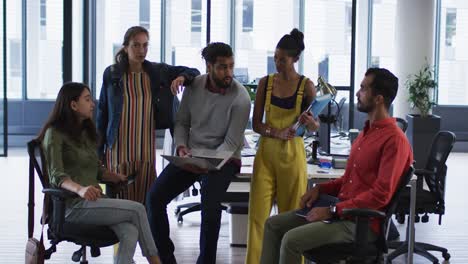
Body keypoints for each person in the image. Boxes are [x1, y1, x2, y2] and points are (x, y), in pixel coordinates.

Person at [259, 68, 414, 264]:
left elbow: (380, 194)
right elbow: (349, 180)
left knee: (291, 240)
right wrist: (321, 189)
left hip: (360, 223)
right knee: (273, 225)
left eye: (363, 88)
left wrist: (333, 210)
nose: (357, 93)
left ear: (378, 99)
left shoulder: (394, 140)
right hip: (342, 212)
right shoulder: (366, 132)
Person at [146, 42, 251, 264]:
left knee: (210, 206)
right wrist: (182, 147)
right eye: (222, 67)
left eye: (231, 66)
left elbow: (232, 143)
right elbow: (182, 122)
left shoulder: (241, 97)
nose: (229, 73)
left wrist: (205, 164)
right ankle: (165, 259)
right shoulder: (194, 87)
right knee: (154, 198)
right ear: (209, 66)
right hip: (193, 153)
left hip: (225, 158)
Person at [39, 82, 161, 264]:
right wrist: (80, 189)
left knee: (130, 231)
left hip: (94, 202)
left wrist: (113, 176)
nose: (92, 104)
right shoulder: (54, 133)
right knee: (138, 209)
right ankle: (156, 262)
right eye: (87, 99)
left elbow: (96, 169)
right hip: (71, 207)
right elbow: (57, 176)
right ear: (73, 105)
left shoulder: (85, 133)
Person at [96, 26, 200, 204]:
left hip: (144, 147)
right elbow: (103, 113)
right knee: (120, 198)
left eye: (145, 45)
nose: (141, 51)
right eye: (136, 45)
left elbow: (194, 72)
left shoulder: (157, 71)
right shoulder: (112, 74)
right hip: (118, 147)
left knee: (146, 199)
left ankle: (144, 232)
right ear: (125, 47)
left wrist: (181, 78)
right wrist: (99, 151)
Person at [245, 28, 320, 264]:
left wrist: (311, 124)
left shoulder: (306, 86)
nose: (278, 63)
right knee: (258, 218)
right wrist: (275, 131)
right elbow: (256, 124)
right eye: (275, 58)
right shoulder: (265, 84)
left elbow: (315, 127)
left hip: (293, 156)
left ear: (295, 59)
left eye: (283, 59)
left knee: (292, 217)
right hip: (266, 155)